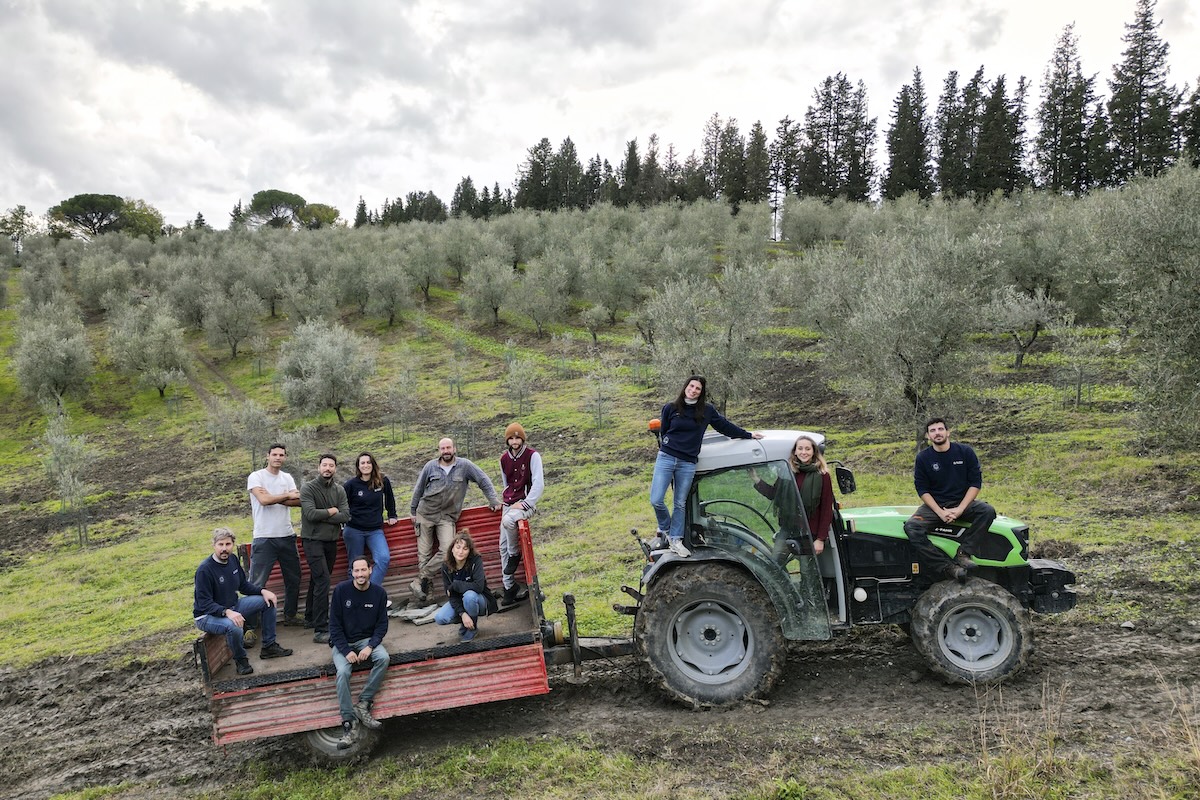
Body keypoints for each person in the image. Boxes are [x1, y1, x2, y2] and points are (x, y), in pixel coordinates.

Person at [650, 375, 762, 557]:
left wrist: (747, 435)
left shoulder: (707, 411)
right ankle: (667, 530)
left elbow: (724, 427)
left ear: (701, 393)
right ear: (685, 386)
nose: (693, 390)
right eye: (691, 386)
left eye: (698, 389)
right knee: (656, 499)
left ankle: (676, 540)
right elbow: (665, 432)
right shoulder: (670, 408)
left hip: (687, 462)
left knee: (680, 502)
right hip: (667, 457)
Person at [903, 417, 997, 582]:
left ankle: (964, 553)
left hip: (962, 503)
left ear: (948, 432)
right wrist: (939, 512)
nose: (937, 433)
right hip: (934, 507)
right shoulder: (923, 458)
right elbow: (922, 489)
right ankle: (948, 567)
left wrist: (960, 509)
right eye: (933, 430)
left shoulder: (965, 452)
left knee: (987, 511)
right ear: (927, 436)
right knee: (912, 528)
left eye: (940, 429)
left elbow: (975, 483)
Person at [409, 437, 500, 603]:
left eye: (448, 448)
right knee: (424, 555)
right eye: (442, 448)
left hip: (447, 517)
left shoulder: (464, 466)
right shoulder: (430, 467)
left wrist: (493, 500)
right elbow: (419, 488)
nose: (446, 451)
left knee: (447, 550)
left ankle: (419, 579)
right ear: (439, 451)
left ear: (454, 449)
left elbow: (483, 479)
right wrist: (413, 511)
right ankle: (426, 594)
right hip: (425, 514)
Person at [193, 527, 293, 676]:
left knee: (268, 602)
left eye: (228, 544)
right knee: (234, 626)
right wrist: (227, 612)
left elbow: (243, 586)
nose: (224, 549)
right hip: (207, 616)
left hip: (233, 607)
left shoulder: (233, 559)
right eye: (220, 545)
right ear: (214, 545)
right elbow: (204, 603)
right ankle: (241, 660)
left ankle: (269, 646)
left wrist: (262, 591)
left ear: (233, 544)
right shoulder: (205, 570)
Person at [329, 556, 390, 750]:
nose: (360, 574)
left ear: (370, 570)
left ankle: (363, 704)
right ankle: (349, 722)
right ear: (352, 572)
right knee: (343, 672)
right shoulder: (341, 591)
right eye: (356, 571)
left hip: (366, 640)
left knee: (383, 658)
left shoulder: (379, 593)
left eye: (363, 570)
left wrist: (370, 646)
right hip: (343, 643)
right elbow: (334, 627)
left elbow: (382, 626)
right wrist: (346, 651)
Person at [246, 443, 303, 639]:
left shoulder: (287, 477)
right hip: (264, 537)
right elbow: (263, 501)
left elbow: (298, 501)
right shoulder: (257, 476)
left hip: (286, 536)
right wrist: (285, 495)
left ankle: (290, 615)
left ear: (285, 458)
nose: (278, 457)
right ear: (267, 456)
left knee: (293, 578)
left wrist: (273, 497)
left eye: (281, 455)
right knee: (256, 583)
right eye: (274, 454)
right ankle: (250, 627)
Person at [751, 434, 835, 554]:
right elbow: (774, 494)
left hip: (809, 531)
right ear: (795, 451)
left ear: (814, 452)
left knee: (806, 570)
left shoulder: (822, 475)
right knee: (775, 560)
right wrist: (756, 479)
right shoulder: (787, 472)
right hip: (788, 527)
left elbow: (826, 508)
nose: (803, 452)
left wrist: (820, 539)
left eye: (807, 449)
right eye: (800, 448)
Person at [300, 454, 349, 644]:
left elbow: (345, 515)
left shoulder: (339, 490)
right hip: (312, 541)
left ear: (335, 468)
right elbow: (311, 514)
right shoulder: (308, 488)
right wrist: (331, 511)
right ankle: (321, 629)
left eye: (331, 465)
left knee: (317, 578)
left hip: (331, 541)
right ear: (318, 467)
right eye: (324, 465)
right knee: (323, 580)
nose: (327, 468)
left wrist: (326, 515)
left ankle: (310, 617)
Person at [497, 422, 543, 607]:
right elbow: (506, 483)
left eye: (518, 438)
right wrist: (506, 501)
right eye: (511, 438)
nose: (515, 441)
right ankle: (509, 587)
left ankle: (515, 554)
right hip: (509, 503)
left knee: (508, 521)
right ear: (507, 440)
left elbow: (538, 483)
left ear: (522, 439)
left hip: (526, 504)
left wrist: (525, 503)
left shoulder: (533, 456)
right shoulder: (503, 459)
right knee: (502, 546)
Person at [342, 452, 397, 588]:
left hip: (375, 530)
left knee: (383, 559)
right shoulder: (350, 485)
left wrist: (392, 515)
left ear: (373, 464)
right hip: (354, 530)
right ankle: (354, 596)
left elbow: (390, 499)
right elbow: (342, 505)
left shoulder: (382, 481)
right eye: (362, 463)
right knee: (355, 566)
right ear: (358, 466)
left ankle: (370, 592)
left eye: (368, 462)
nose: (366, 465)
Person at [435, 531, 498, 642]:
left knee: (470, 596)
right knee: (440, 618)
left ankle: (472, 628)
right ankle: (466, 622)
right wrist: (462, 614)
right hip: (459, 601)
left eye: (465, 549)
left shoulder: (475, 560)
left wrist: (455, 585)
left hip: (480, 600)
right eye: (458, 547)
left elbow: (478, 587)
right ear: (452, 549)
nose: (460, 552)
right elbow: (451, 595)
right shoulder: (445, 566)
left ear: (469, 551)